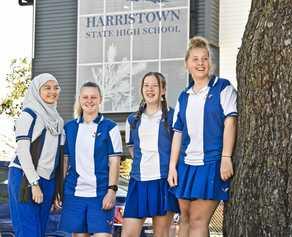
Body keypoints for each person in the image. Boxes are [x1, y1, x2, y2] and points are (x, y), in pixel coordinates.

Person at [167, 36, 238, 237]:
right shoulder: (184, 96)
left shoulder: (223, 87)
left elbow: (230, 122)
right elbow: (178, 134)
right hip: (186, 165)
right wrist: (172, 167)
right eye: (195, 59)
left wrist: (226, 157)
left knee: (199, 220)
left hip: (212, 163)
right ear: (187, 64)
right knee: (185, 220)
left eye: (204, 59)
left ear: (210, 62)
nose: (200, 63)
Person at [59, 82, 122, 237]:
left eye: (93, 97)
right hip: (74, 194)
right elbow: (65, 162)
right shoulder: (69, 128)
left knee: (103, 235)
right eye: (85, 97)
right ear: (79, 100)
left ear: (100, 99)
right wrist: (59, 191)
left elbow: (115, 162)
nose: (89, 100)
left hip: (101, 193)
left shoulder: (110, 127)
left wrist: (111, 191)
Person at [122, 72, 179, 237]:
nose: (150, 89)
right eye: (146, 85)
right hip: (138, 181)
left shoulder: (174, 117)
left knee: (160, 234)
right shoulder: (132, 120)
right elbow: (133, 149)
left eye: (155, 85)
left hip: (163, 180)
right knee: (128, 234)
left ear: (163, 90)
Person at [8, 73, 64, 237]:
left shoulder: (58, 120)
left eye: (55, 88)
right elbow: (23, 151)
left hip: (48, 180)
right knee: (28, 232)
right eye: (47, 88)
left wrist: (56, 191)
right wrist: (34, 184)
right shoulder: (29, 115)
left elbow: (57, 159)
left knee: (39, 232)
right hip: (25, 178)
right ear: (36, 91)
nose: (52, 91)